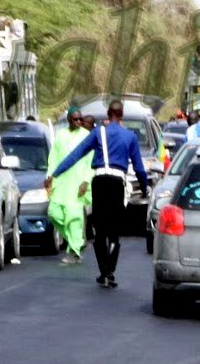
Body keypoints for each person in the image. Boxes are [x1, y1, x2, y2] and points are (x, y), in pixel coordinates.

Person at [50, 100, 149, 289]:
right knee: (114, 230)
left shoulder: (97, 133)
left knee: (100, 229)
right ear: (121, 114)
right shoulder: (130, 136)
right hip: (117, 183)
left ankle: (103, 272)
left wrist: (56, 173)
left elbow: (76, 154)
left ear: (108, 113)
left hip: (100, 182)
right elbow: (138, 168)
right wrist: (144, 188)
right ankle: (110, 271)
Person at [45, 107, 91, 265]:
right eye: (75, 119)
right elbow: (54, 158)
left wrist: (86, 181)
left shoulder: (86, 136)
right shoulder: (61, 135)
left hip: (78, 184)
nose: (79, 122)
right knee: (53, 213)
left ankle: (75, 250)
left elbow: (90, 162)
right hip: (61, 182)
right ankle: (75, 241)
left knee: (73, 217)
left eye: (81, 119)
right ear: (69, 120)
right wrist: (50, 177)